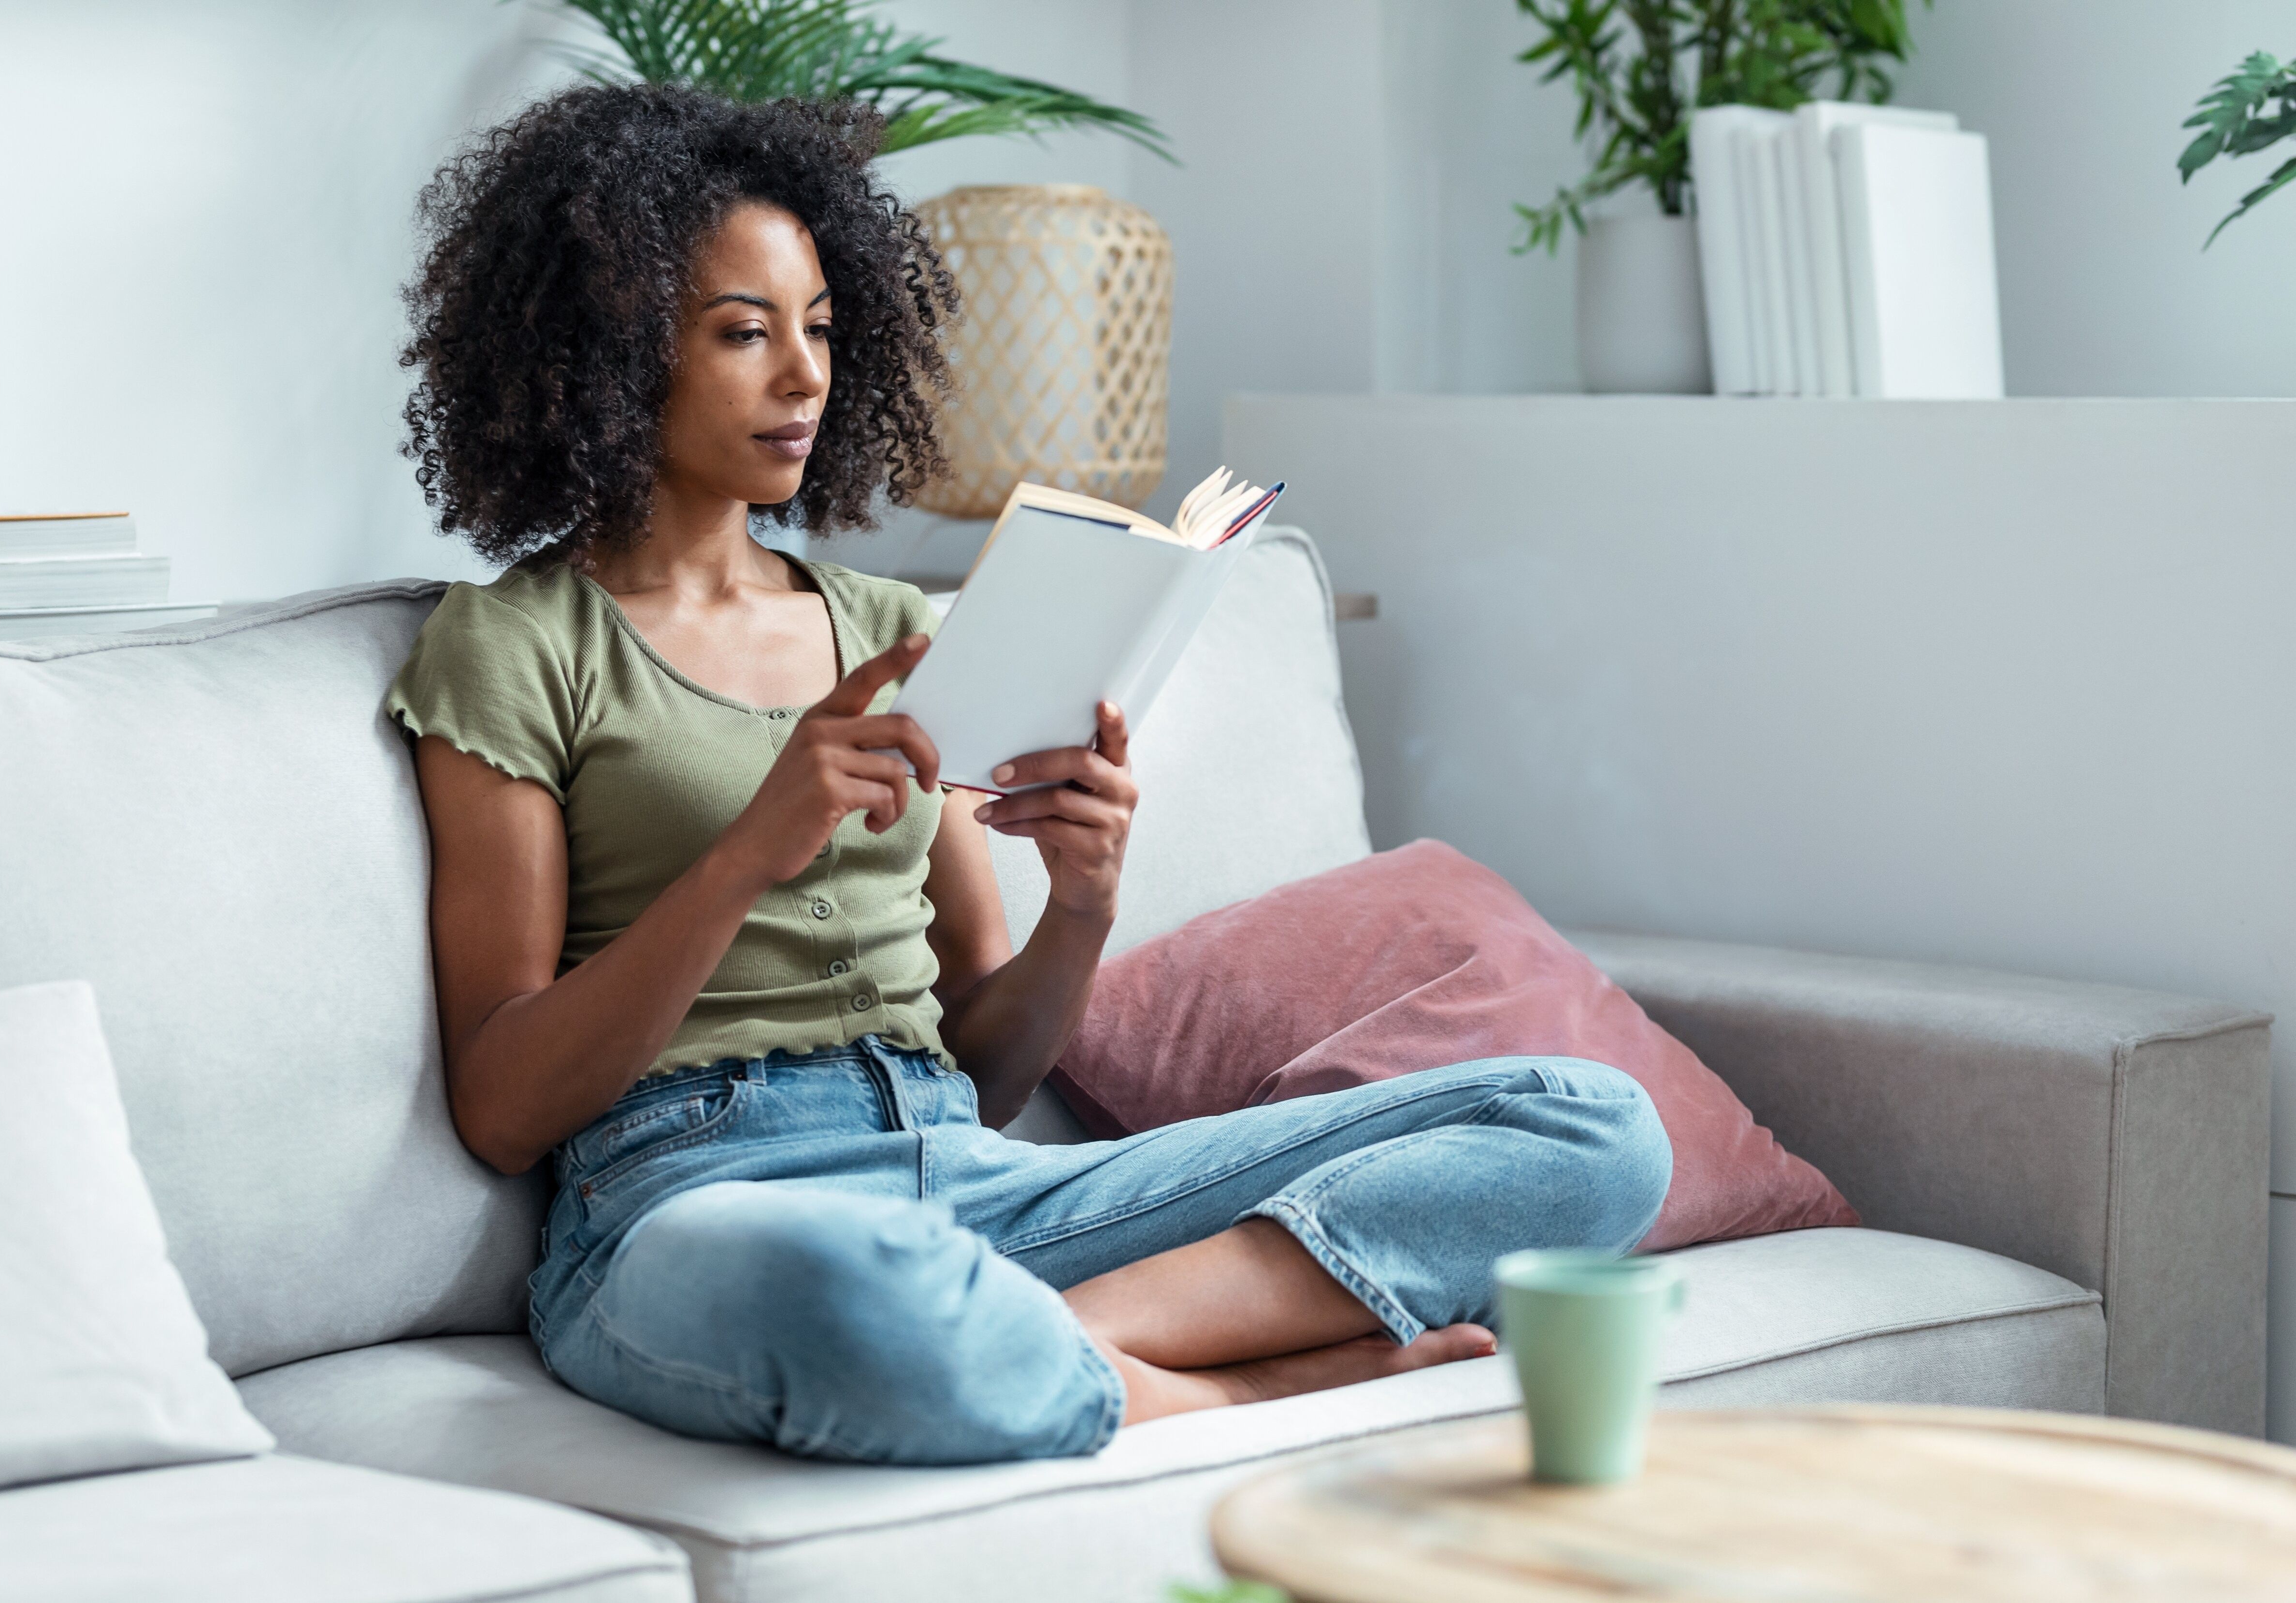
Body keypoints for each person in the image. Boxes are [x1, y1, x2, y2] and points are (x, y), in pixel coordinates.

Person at [387, 84, 1671, 1467]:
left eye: (821, 327)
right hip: (694, 1197)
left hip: (975, 1177)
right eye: (744, 333)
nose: (805, 375)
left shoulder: (892, 632)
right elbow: (506, 1106)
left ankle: (1054, 1338)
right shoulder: (513, 646)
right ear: (614, 352)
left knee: (1592, 1125)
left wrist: (1083, 903)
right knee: (848, 1292)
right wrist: (754, 845)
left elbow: (989, 1072)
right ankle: (1227, 1388)